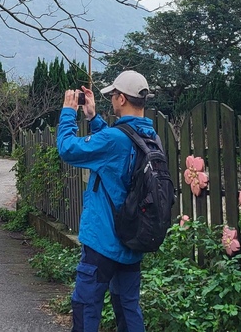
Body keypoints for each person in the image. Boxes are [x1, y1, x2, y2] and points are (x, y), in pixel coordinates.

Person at [56, 70, 155, 332]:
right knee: (128, 308)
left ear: (121, 99)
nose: (111, 99)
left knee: (87, 307)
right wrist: (93, 117)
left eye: (113, 95)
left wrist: (68, 113)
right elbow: (115, 153)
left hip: (103, 240)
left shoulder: (114, 139)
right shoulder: (149, 138)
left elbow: (67, 149)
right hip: (132, 239)